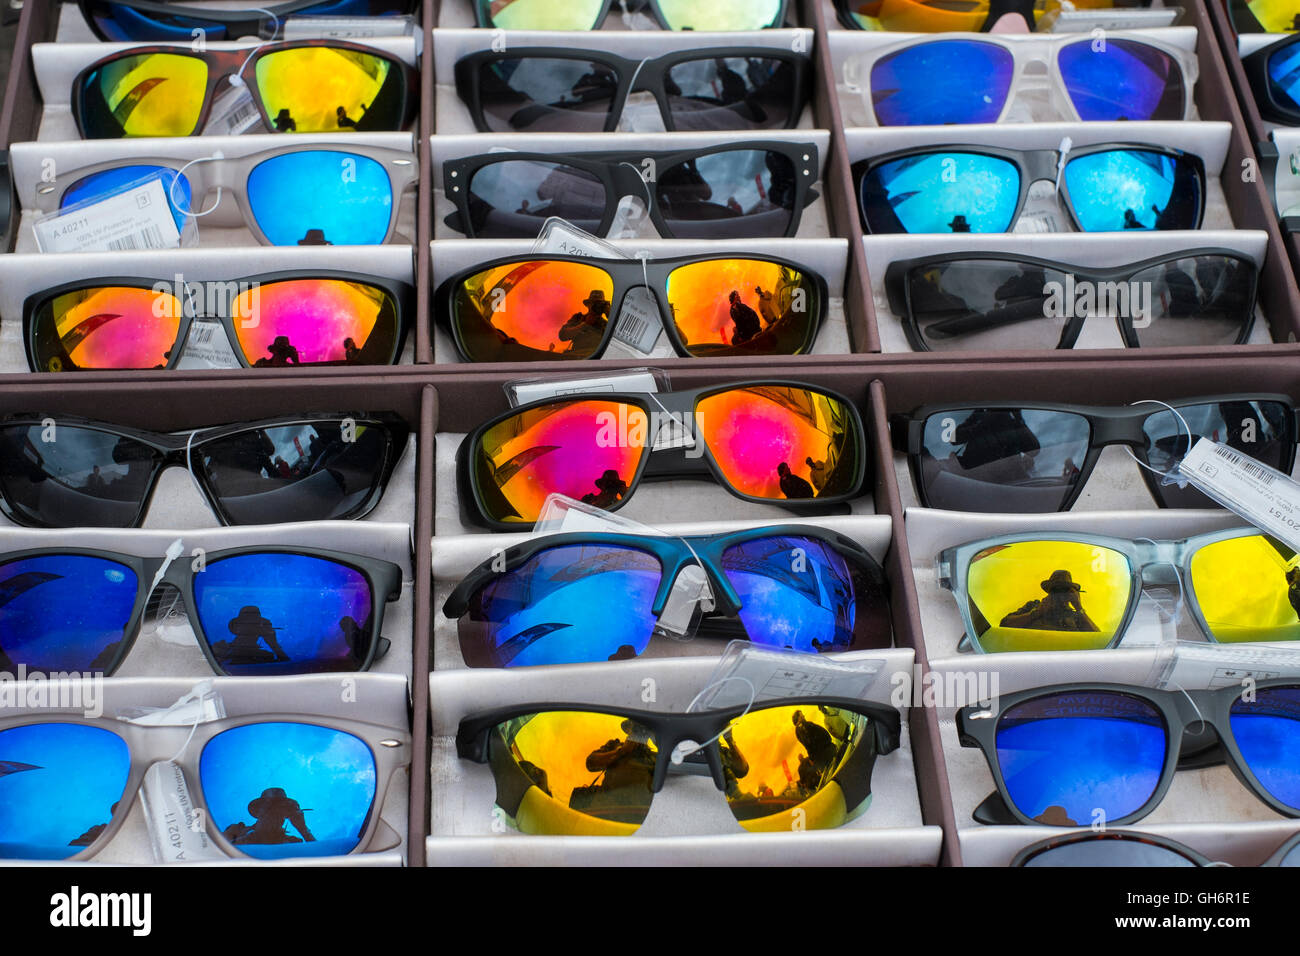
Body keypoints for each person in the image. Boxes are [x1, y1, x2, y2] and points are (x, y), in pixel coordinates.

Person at [999, 570, 1099, 632]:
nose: (1059, 595)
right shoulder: (1034, 606)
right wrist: (1037, 613)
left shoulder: (1077, 617)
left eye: (1065, 590)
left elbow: (1097, 639)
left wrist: (1079, 608)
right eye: (1055, 589)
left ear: (1072, 595)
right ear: (1049, 591)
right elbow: (1004, 624)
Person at [228, 787, 315, 845]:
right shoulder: (237, 833)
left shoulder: (293, 842)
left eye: (280, 809)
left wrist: (303, 829)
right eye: (269, 808)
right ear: (259, 813)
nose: (274, 814)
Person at [214, 605, 290, 664]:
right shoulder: (220, 649)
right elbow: (286, 666)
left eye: (254, 625)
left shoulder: (265, 656)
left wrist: (274, 644)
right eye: (247, 624)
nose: (250, 629)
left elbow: (286, 668)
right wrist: (274, 646)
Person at [557, 289, 610, 353]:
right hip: (576, 356)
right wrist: (584, 325)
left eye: (599, 304)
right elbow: (562, 335)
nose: (596, 307)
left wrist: (609, 313)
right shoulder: (578, 318)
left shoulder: (607, 325)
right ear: (588, 305)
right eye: (593, 303)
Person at [792, 709, 837, 774]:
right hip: (825, 754)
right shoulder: (802, 727)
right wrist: (813, 758)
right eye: (802, 716)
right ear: (798, 718)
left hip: (824, 753)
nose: (804, 717)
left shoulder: (800, 729)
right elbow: (809, 743)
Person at [718, 729, 750, 799]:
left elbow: (735, 792)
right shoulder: (721, 751)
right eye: (741, 757)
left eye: (739, 760)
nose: (739, 755)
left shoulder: (720, 763)